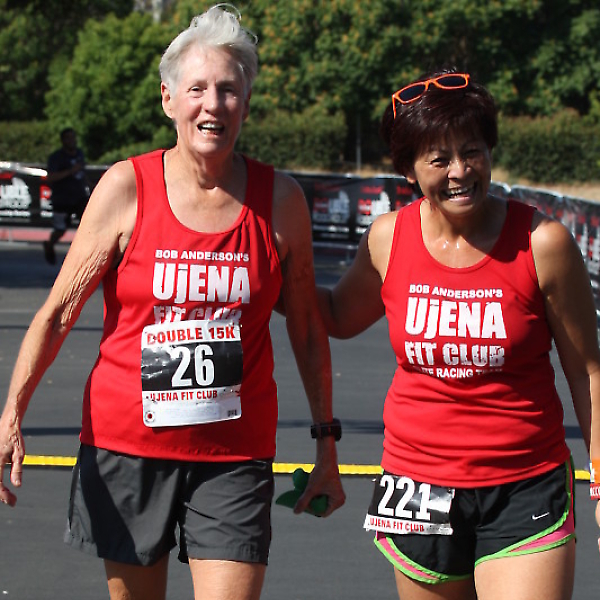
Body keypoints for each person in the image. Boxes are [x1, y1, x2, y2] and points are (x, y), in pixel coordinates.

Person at [0, 5, 345, 600]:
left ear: (246, 103)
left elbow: (309, 329)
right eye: (198, 89)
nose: (214, 104)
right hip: (126, 446)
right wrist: (12, 414)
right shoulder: (126, 188)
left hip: (234, 452)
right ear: (168, 100)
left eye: (229, 90)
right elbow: (58, 313)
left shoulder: (280, 201)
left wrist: (326, 442)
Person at [316, 69, 600, 599]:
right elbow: (335, 316)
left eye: (472, 152)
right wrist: (271, 266)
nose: (460, 171)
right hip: (416, 488)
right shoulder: (387, 239)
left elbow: (588, 372)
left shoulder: (543, 243)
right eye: (439, 159)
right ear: (407, 169)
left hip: (524, 484)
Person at [43, 127, 90, 265]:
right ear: (63, 140)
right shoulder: (56, 157)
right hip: (62, 199)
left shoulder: (79, 154)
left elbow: (82, 174)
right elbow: (51, 177)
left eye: (73, 137)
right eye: (68, 138)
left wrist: (90, 185)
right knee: (60, 229)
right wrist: (70, 171)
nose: (72, 141)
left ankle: (85, 253)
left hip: (79, 196)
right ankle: (49, 244)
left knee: (88, 223)